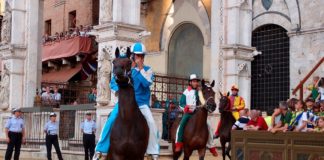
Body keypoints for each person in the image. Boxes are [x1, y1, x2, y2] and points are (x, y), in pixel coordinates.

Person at [94, 42, 160, 160]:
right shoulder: (127, 69)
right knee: (110, 120)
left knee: (151, 123)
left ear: (143, 57)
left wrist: (139, 69)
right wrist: (118, 90)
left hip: (141, 104)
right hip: (125, 104)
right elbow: (113, 82)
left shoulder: (148, 70)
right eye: (136, 55)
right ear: (132, 56)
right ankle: (100, 150)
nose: (138, 58)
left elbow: (147, 83)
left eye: (140, 56)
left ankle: (152, 152)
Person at [174, 74, 218, 157]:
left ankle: (212, 147)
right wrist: (185, 108)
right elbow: (181, 103)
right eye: (193, 81)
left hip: (197, 112)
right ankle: (178, 143)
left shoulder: (199, 91)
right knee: (181, 125)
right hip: (188, 113)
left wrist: (206, 105)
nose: (195, 83)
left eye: (196, 81)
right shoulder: (186, 91)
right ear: (190, 82)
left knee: (209, 127)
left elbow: (202, 99)